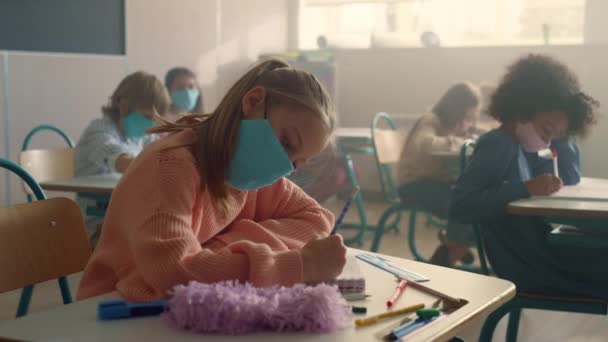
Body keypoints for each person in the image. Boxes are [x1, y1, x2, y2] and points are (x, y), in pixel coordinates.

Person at [77, 59, 347, 301]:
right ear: (253, 102)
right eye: (287, 143)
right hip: (112, 312)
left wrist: (222, 251)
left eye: (297, 163)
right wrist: (298, 265)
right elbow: (176, 274)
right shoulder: (170, 166)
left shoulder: (251, 170)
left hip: (171, 310)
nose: (285, 167)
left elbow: (317, 218)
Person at [450, 54, 608, 298]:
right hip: (533, 267)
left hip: (541, 257)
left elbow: (569, 175)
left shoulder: (522, 149)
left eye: (553, 135)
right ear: (523, 109)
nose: (547, 141)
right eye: (547, 129)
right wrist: (525, 188)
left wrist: (562, 130)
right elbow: (461, 205)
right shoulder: (499, 143)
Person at [74, 71, 171, 240]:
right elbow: (122, 162)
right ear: (123, 105)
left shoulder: (141, 136)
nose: (151, 124)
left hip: (125, 212)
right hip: (97, 220)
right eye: (147, 116)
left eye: (155, 119)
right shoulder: (98, 132)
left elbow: (164, 152)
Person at [397, 82, 480, 267]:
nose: (467, 122)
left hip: (433, 182)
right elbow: (426, 144)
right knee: (463, 202)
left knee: (469, 196)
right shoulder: (431, 119)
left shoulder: (449, 125)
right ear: (455, 109)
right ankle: (455, 246)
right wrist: (460, 141)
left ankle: (454, 242)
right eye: (466, 116)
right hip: (413, 184)